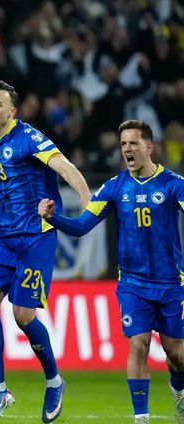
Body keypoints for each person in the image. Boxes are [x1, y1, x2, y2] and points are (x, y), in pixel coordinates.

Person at [0, 80, 91, 422]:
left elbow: (66, 168)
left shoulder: (29, 138)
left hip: (35, 237)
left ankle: (54, 381)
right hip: (1, 237)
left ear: (12, 111)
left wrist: (88, 203)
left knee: (23, 316)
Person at [38, 119, 184, 424]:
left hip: (171, 282)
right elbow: (81, 226)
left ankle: (178, 387)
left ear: (150, 147)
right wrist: (53, 218)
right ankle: (141, 418)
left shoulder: (173, 184)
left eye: (133, 143)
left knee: (177, 354)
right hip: (132, 283)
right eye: (123, 144)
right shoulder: (115, 187)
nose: (127, 149)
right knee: (138, 344)